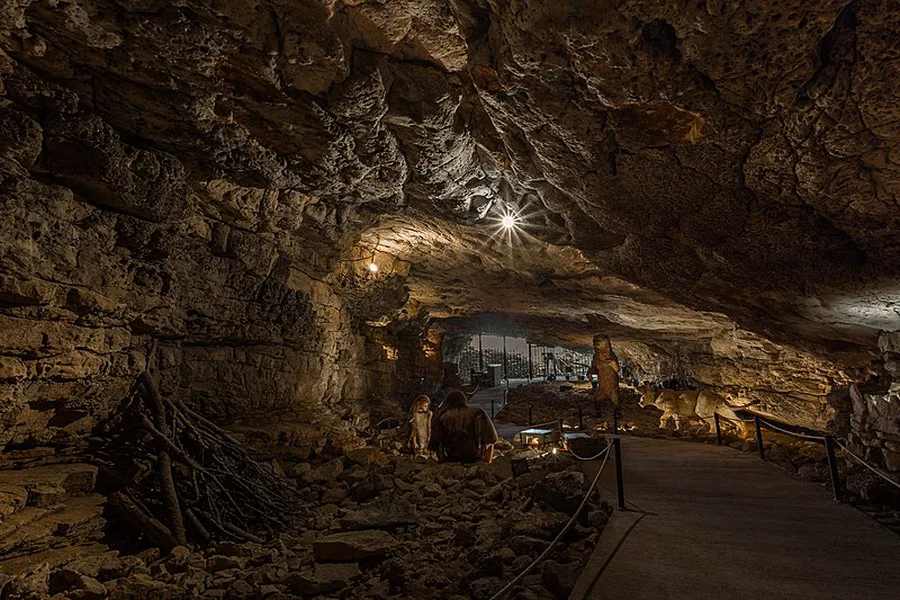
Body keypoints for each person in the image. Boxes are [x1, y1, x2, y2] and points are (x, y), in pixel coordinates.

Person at [431, 389, 499, 463]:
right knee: (490, 444)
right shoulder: (478, 413)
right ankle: (487, 464)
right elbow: (492, 438)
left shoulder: (442, 416)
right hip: (475, 454)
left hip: (450, 455)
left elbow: (435, 441)